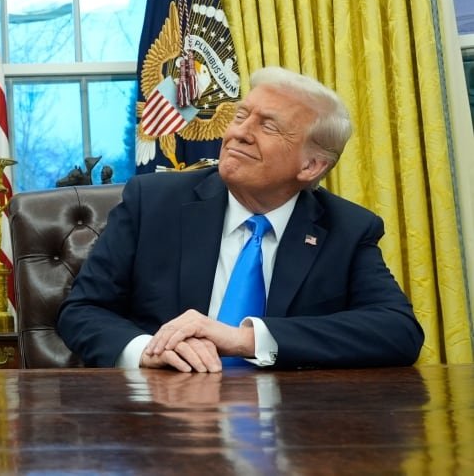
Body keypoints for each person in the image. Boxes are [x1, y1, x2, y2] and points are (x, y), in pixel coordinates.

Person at [57, 66, 423, 371]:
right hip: (163, 421)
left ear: (311, 165)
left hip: (293, 432)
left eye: (268, 126)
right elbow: (83, 310)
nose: (238, 134)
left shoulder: (346, 229)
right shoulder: (152, 203)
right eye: (241, 116)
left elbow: (399, 331)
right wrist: (149, 350)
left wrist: (246, 339)